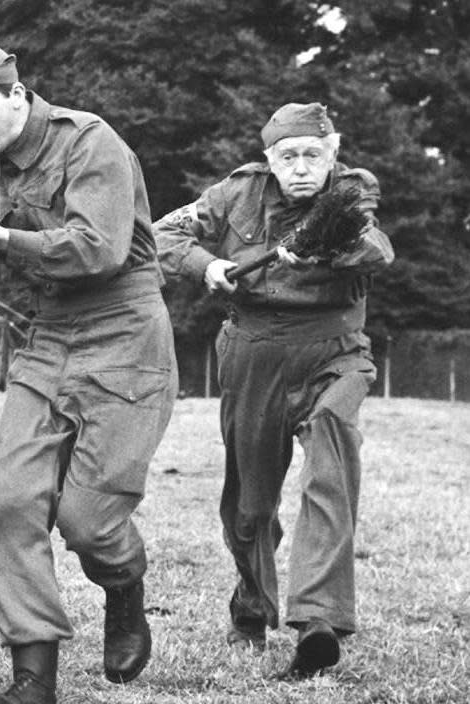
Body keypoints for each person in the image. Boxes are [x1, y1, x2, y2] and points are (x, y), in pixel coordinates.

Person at [0, 41, 177, 703]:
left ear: (16, 95)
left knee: (88, 522)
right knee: (8, 505)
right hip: (47, 337)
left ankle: (122, 584)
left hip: (122, 333)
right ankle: (31, 681)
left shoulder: (89, 141)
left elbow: (98, 250)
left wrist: (3, 239)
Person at [154, 102, 393, 678]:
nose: (303, 167)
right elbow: (161, 233)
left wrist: (321, 243)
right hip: (254, 351)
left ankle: (319, 619)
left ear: (333, 153)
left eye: (315, 154)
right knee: (250, 504)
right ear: (270, 160)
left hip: (335, 350)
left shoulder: (351, 192)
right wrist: (205, 264)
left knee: (331, 472)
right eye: (289, 157)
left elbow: (376, 248)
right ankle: (251, 609)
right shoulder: (236, 193)